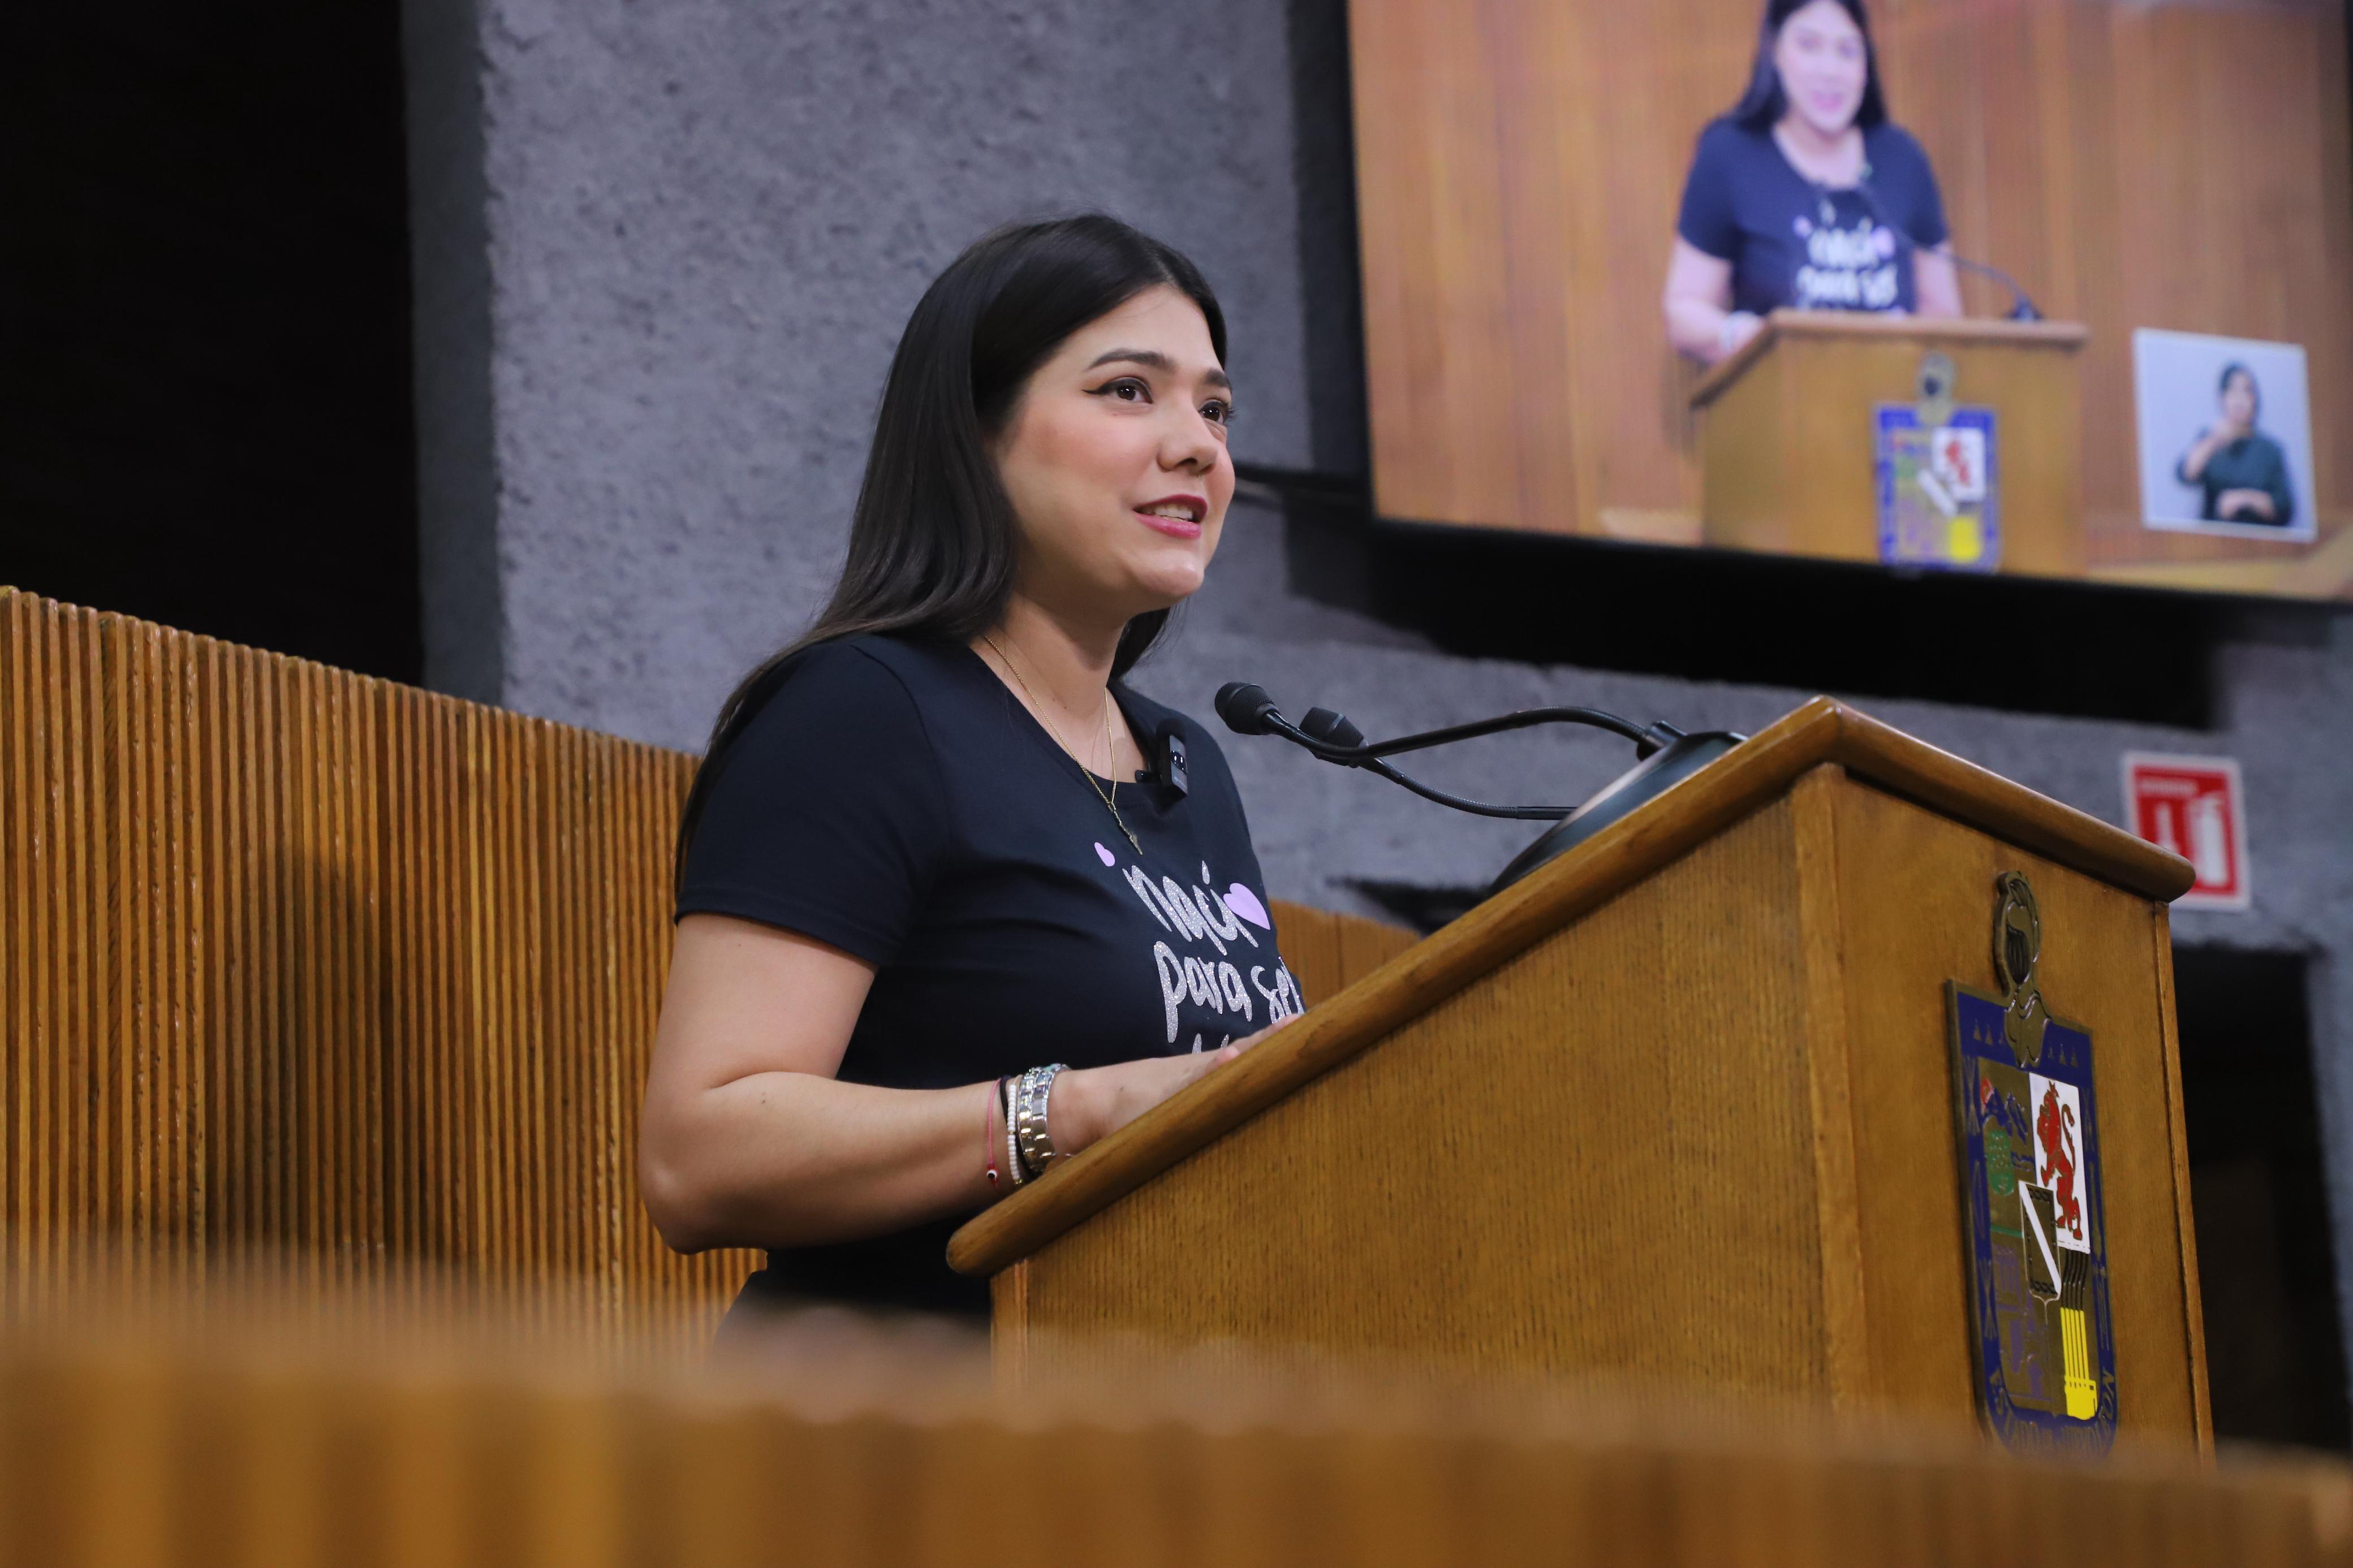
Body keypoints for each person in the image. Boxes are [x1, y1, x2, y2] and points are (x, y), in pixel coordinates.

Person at [639, 215, 1305, 1324]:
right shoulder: (867, 712)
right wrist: (1079, 1112)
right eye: (1129, 391)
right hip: (891, 1442)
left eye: (1214, 407)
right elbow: (699, 1155)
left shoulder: (1191, 764)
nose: (1198, 445)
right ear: (976, 434)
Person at [1663, 0, 1963, 365]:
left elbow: (1943, 315)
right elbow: (1684, 311)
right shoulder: (1730, 155)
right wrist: (1744, 337)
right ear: (1776, 51)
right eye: (1809, 45)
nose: (1830, 70)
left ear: (1866, 65)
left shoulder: (1901, 158)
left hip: (1890, 408)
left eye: (1848, 51)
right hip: (1781, 401)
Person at [2175, 363, 2295, 528]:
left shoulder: (2270, 450)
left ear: (2255, 399)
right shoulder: (2209, 440)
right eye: (2232, 391)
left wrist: (2244, 499)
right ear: (2222, 398)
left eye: (2246, 391)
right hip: (2214, 537)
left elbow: (2284, 509)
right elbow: (2185, 475)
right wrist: (2214, 440)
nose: (2239, 399)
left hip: (2258, 541)